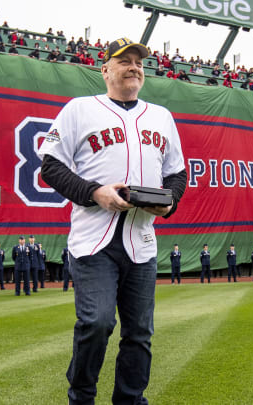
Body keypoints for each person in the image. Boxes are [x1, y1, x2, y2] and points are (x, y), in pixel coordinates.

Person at [37, 37, 186, 404]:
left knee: (139, 333)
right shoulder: (80, 109)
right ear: (105, 70)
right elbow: (51, 166)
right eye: (125, 61)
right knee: (97, 322)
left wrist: (170, 203)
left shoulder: (161, 117)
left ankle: (130, 400)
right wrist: (94, 192)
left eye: (139, 62)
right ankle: (82, 397)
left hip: (142, 241)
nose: (134, 67)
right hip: (93, 239)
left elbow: (177, 174)